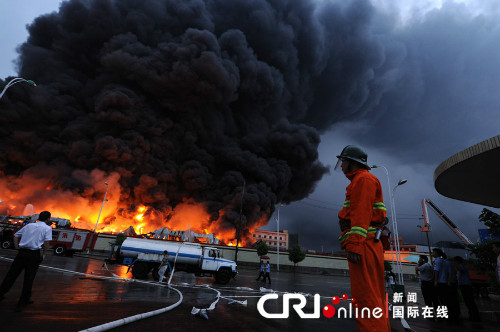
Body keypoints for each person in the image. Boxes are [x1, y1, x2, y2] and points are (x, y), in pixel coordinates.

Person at [335, 145, 391, 332]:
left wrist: (355, 245)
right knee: (371, 298)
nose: (341, 165)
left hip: (364, 246)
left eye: (343, 161)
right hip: (367, 244)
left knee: (366, 299)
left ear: (352, 163)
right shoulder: (361, 180)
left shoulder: (363, 179)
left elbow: (360, 215)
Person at [0, 211, 52, 309]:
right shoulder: (47, 228)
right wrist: (44, 254)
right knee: (29, 278)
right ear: (48, 219)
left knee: (11, 274)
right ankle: (23, 301)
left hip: (22, 253)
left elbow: (16, 235)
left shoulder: (29, 226)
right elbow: (46, 243)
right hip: (33, 254)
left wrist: (17, 247)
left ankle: (1, 293)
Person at [453, 256, 480, 321]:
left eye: (454, 261)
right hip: (463, 285)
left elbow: (460, 269)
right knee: (468, 301)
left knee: (469, 300)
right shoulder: (461, 266)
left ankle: (474, 315)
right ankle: (472, 314)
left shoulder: (462, 266)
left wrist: (456, 264)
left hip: (466, 285)